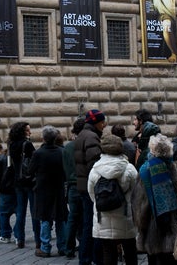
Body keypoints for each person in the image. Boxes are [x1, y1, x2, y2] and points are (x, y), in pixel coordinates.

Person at [133, 133, 177, 265]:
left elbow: (139, 202)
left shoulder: (145, 170)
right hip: (173, 225)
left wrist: (141, 225)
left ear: (152, 150)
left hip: (152, 227)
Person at [87, 134, 138, 265]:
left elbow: (92, 194)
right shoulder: (129, 169)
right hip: (126, 217)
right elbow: (136, 193)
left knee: (108, 253)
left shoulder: (95, 170)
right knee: (131, 252)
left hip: (103, 217)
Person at [28, 126, 68, 257]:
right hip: (58, 188)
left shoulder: (38, 153)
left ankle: (45, 247)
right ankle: (62, 246)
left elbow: (30, 171)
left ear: (43, 138)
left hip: (43, 189)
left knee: (45, 218)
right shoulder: (61, 152)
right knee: (60, 218)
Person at [74, 109, 107, 265]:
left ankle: (87, 257)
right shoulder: (91, 137)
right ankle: (89, 258)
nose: (104, 125)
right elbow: (95, 164)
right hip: (90, 187)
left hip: (83, 185)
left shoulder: (82, 135)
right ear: (97, 122)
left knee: (88, 222)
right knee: (92, 224)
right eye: (102, 122)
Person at [8, 122, 40, 248]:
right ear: (22, 131)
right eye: (28, 130)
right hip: (29, 180)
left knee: (20, 211)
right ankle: (38, 240)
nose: (30, 133)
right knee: (34, 211)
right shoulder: (27, 144)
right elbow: (34, 161)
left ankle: (20, 238)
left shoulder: (11, 144)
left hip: (17, 180)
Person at [62, 117, 85, 259]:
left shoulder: (67, 147)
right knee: (86, 217)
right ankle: (83, 244)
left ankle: (68, 248)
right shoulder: (86, 144)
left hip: (71, 186)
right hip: (84, 184)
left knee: (72, 218)